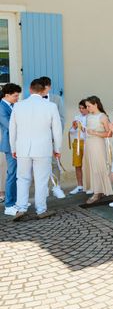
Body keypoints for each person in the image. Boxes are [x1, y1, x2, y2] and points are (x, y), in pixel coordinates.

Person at [10, 78, 62, 220]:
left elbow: (12, 130)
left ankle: (21, 208)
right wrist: (57, 148)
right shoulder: (51, 106)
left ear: (30, 90)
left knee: (22, 179)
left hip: (22, 148)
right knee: (41, 179)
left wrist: (13, 148)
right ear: (43, 90)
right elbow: (57, 130)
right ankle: (41, 210)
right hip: (43, 149)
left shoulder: (18, 106)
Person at [83, 96, 113, 204]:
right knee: (91, 166)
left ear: (95, 104)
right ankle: (97, 189)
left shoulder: (103, 117)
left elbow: (109, 133)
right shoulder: (88, 116)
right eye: (86, 106)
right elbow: (88, 130)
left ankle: (98, 192)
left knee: (98, 166)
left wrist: (95, 133)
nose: (87, 108)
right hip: (89, 144)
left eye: (89, 106)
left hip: (98, 144)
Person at [40, 76, 66, 199]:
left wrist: (56, 136)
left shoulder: (57, 99)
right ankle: (43, 188)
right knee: (40, 164)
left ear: (49, 87)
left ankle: (56, 187)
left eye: (45, 88)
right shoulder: (33, 100)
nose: (44, 90)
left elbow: (61, 119)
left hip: (52, 138)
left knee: (55, 163)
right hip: (38, 138)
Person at [1, 83, 21, 216]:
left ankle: (16, 201)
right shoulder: (1, 107)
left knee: (19, 174)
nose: (17, 98)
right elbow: (9, 125)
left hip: (18, 144)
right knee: (12, 174)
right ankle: (9, 205)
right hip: (10, 145)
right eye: (15, 96)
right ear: (7, 95)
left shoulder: (12, 105)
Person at [68, 99, 89, 195]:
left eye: (83, 108)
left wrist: (82, 127)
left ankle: (89, 185)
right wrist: (74, 127)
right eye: (79, 108)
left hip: (87, 142)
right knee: (78, 165)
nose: (81, 110)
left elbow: (90, 132)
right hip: (77, 142)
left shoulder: (91, 118)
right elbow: (72, 132)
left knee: (88, 165)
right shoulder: (76, 117)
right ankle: (80, 185)